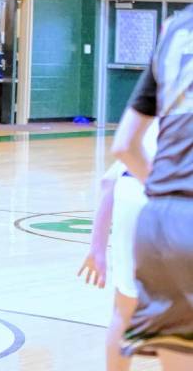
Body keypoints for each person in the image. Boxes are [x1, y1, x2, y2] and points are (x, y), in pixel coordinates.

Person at [111, 0, 193, 368]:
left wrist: (168, 195)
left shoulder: (173, 32)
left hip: (160, 220)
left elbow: (124, 146)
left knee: (177, 356)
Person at [78, 122, 157, 371]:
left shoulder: (152, 116)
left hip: (131, 195)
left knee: (123, 312)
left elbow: (107, 181)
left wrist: (97, 249)